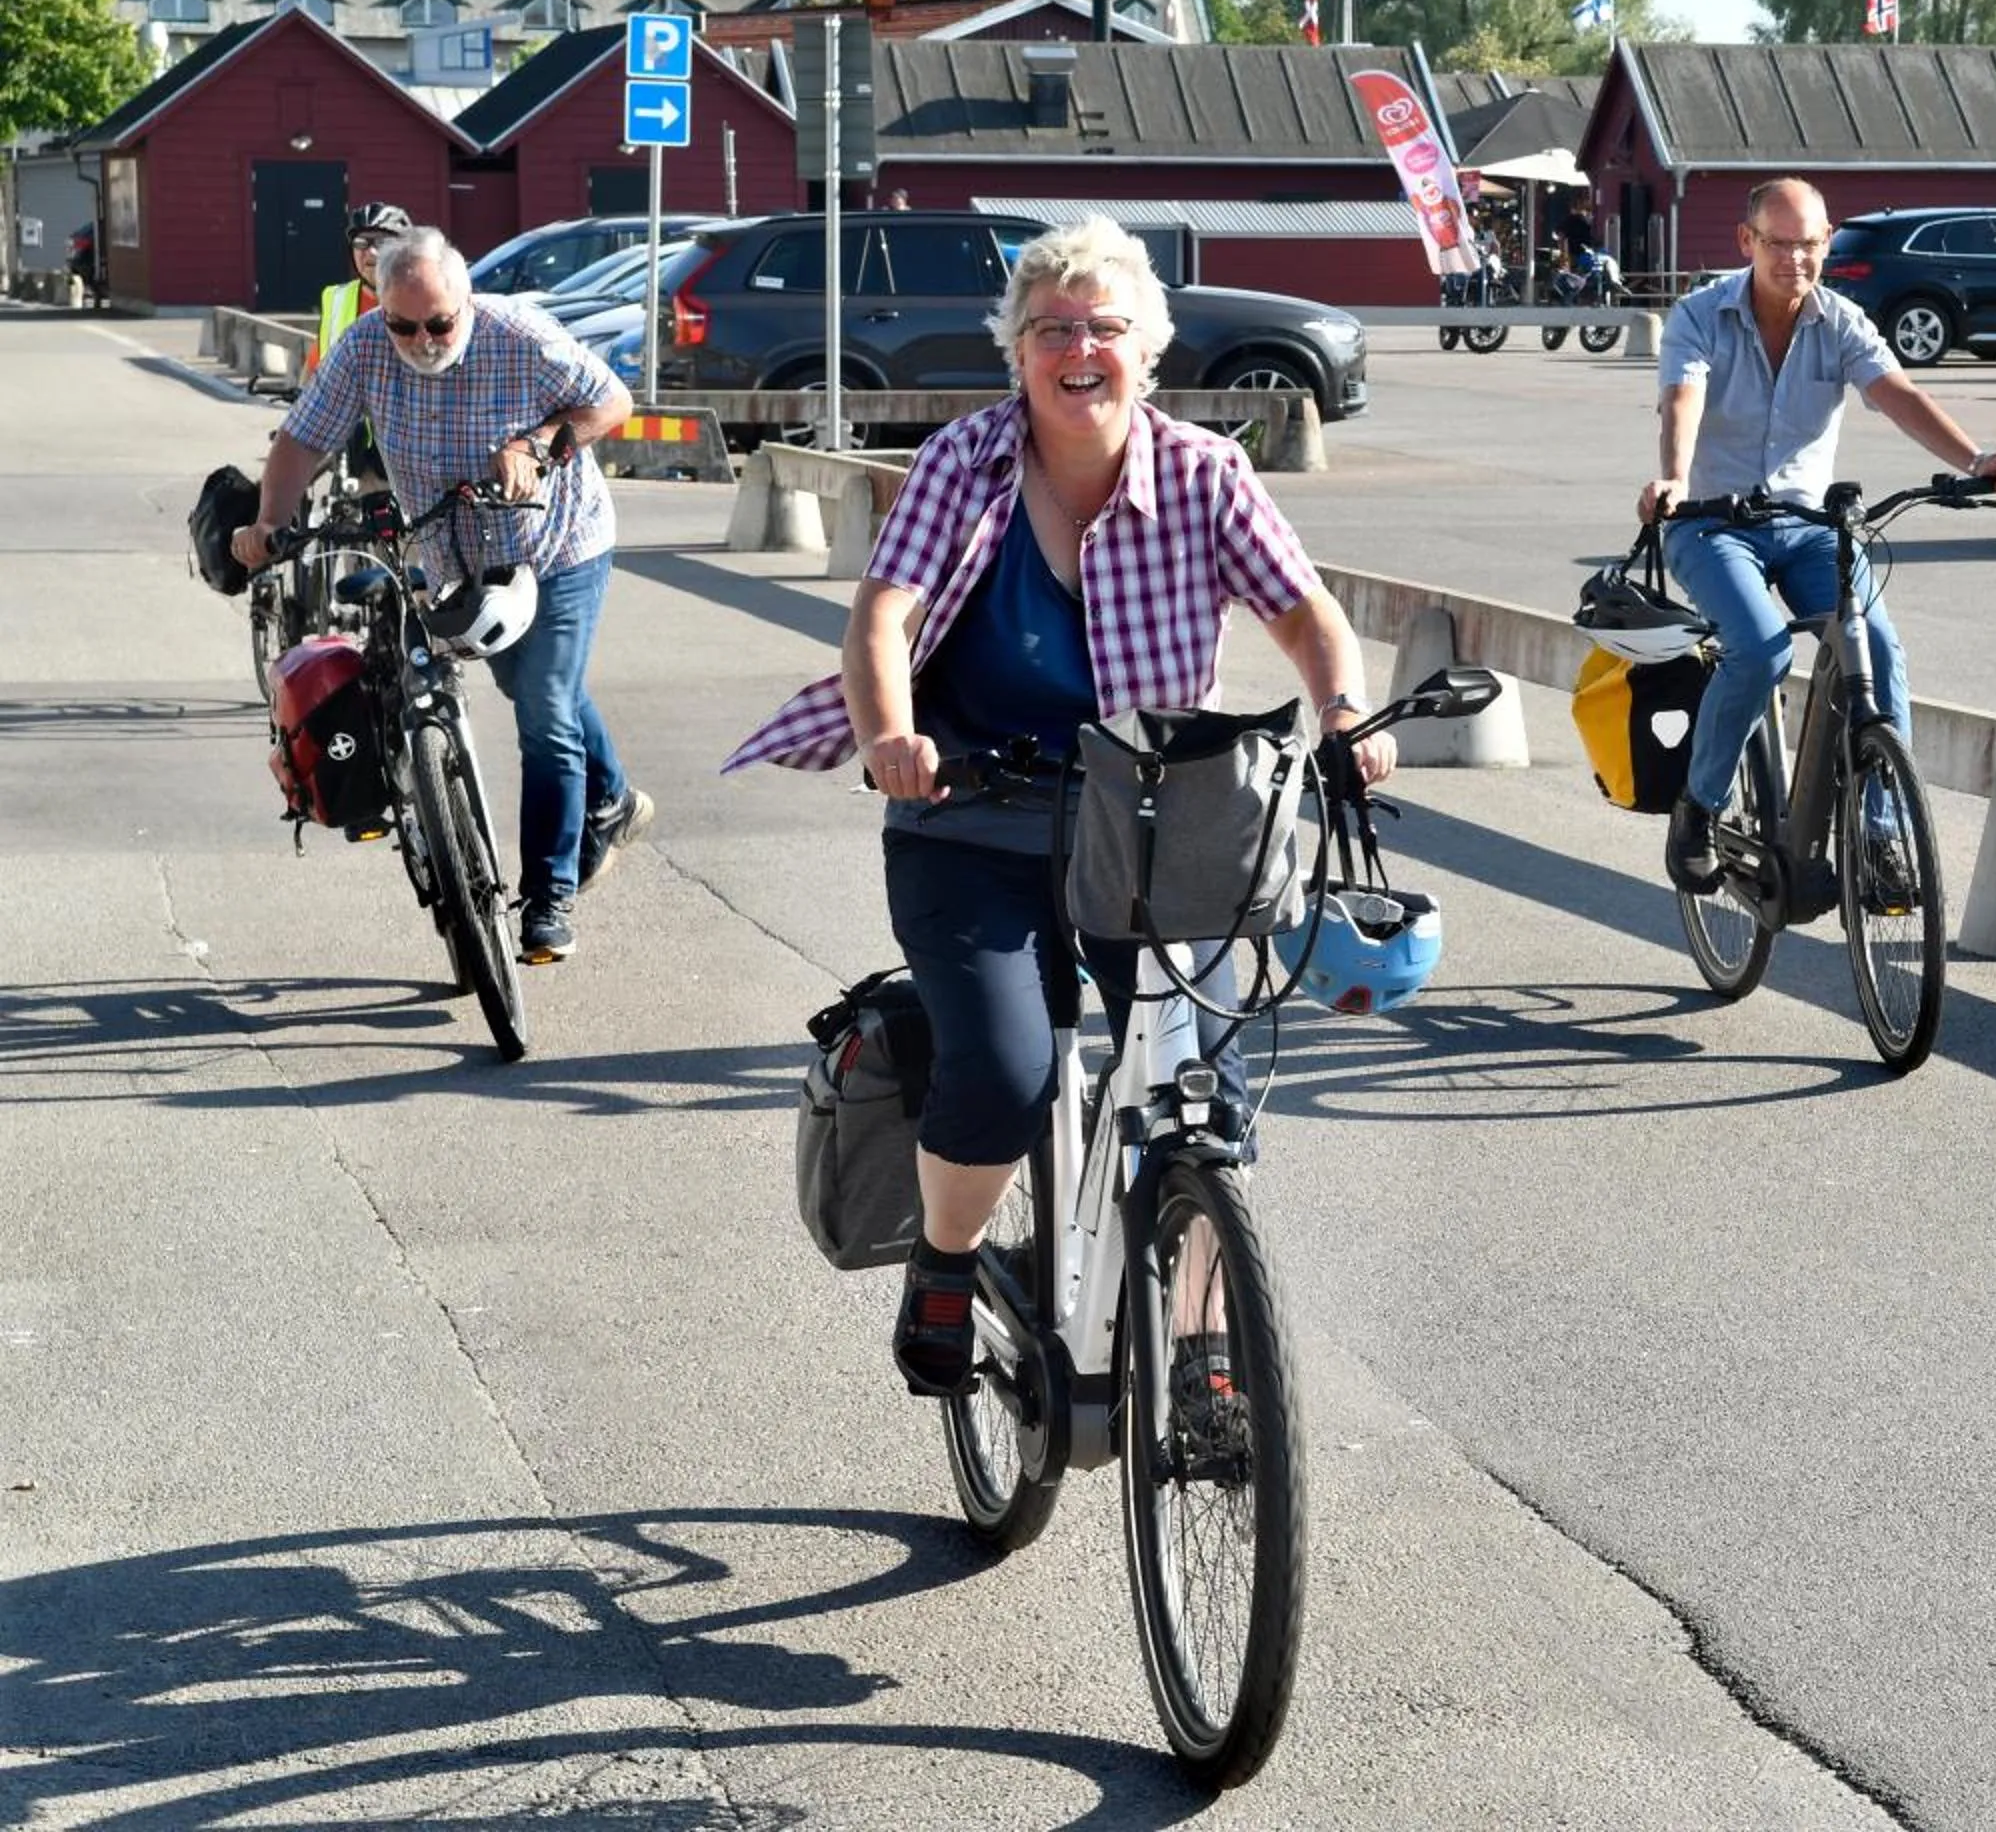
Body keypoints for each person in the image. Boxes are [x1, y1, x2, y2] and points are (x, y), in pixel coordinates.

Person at [723, 214, 1398, 1398]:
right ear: (1016, 351)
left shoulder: (1205, 475)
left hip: (1157, 824)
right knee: (1006, 1063)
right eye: (1051, 330)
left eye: (1105, 328)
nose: (1079, 349)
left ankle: (1199, 1355)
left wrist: (1343, 711)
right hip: (972, 813)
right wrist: (890, 733)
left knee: (1207, 1095)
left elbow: (1304, 614)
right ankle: (944, 1259)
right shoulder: (962, 463)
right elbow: (884, 613)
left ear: (1149, 346)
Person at [233, 227, 656, 964]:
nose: (422, 339)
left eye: (438, 323)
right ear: (382, 309)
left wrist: (538, 443)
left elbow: (612, 401)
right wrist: (269, 520)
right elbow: (303, 440)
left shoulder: (517, 333)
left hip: (554, 548)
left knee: (545, 707)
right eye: (404, 324)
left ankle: (548, 898)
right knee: (533, 685)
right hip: (451, 560)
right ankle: (612, 799)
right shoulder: (366, 346)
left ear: (465, 301)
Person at [1636, 177, 1996, 892]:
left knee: (1874, 643)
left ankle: (1878, 835)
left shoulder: (1840, 320)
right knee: (1759, 648)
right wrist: (1673, 476)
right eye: (1779, 243)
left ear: (1827, 242)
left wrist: (1976, 460)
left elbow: (1897, 393)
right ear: (1746, 242)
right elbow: (1681, 396)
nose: (1796, 259)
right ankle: (1700, 807)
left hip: (1807, 526)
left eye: (1811, 243)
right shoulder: (1699, 315)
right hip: (1709, 525)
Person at [312, 203, 409, 487]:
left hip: (406, 446)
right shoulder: (336, 298)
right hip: (346, 441)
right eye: (361, 243)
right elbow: (316, 364)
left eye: (383, 242)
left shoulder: (419, 299)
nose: (371, 252)